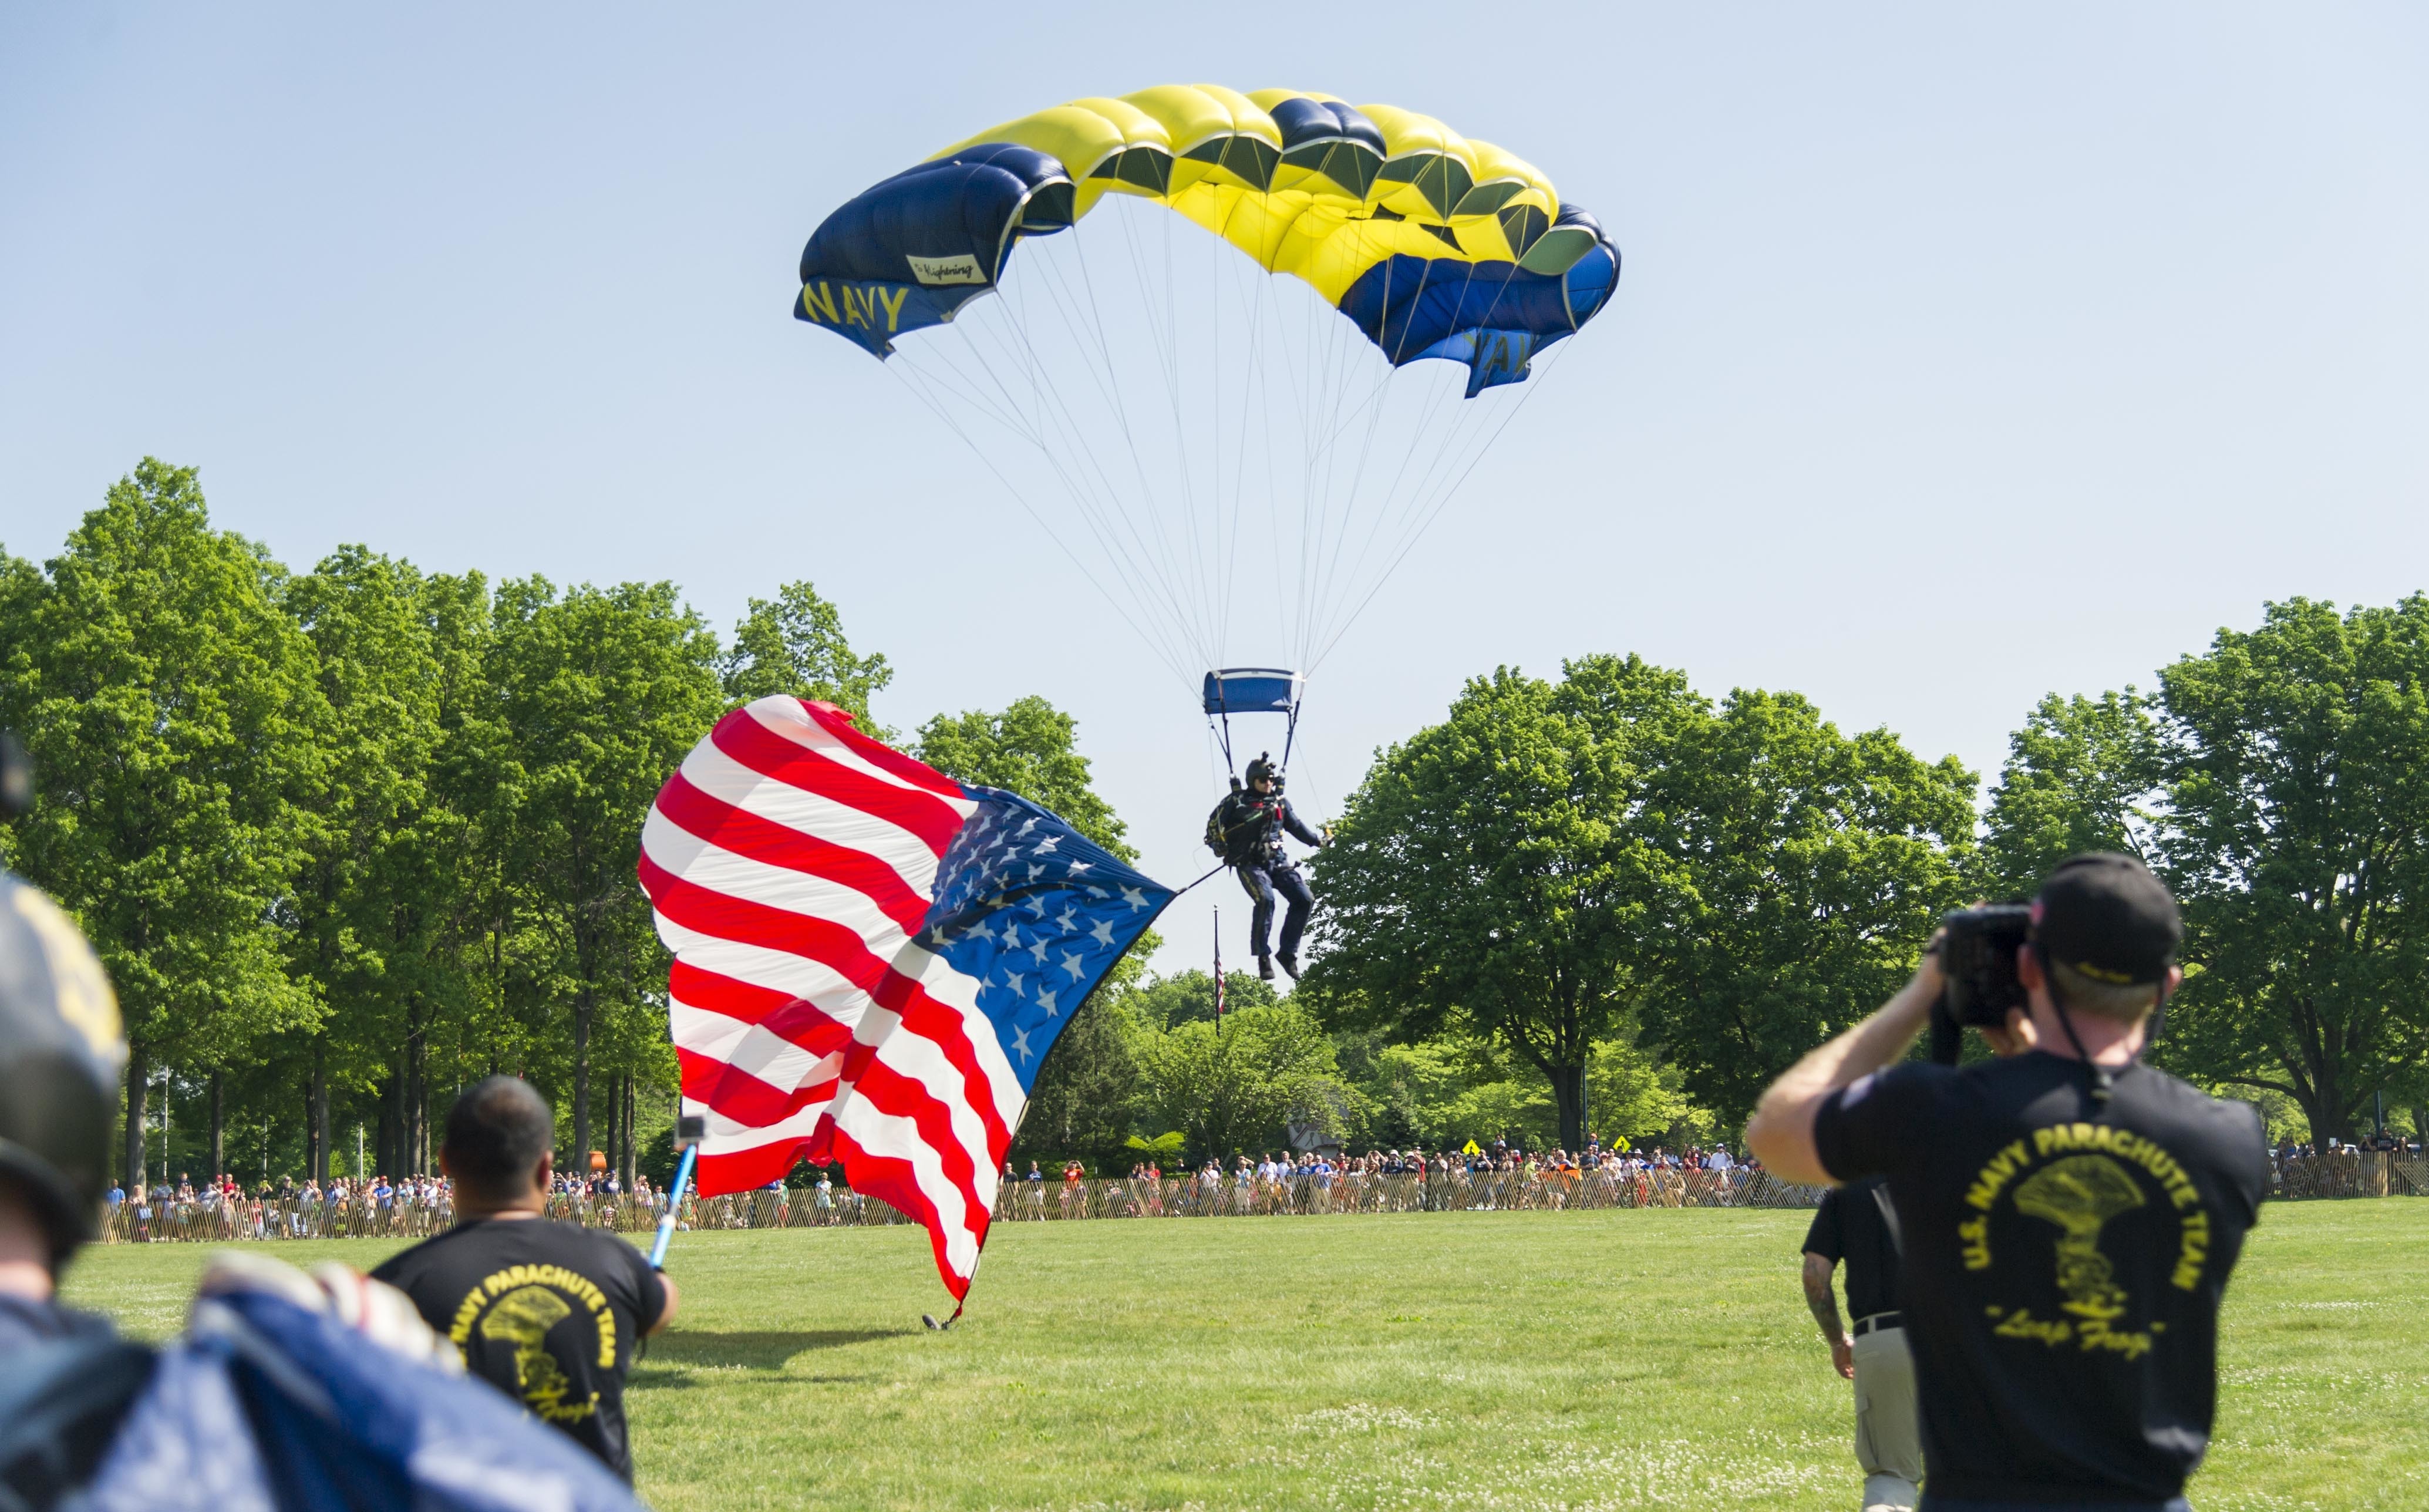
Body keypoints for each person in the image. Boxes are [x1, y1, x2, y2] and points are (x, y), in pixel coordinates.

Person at [1747, 854, 2270, 1511]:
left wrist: (1924, 992)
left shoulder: (1936, 1113)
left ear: (2029, 968)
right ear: (2168, 984)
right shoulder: (2229, 1138)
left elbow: (1776, 1134)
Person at [372, 1077, 679, 1481]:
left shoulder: (396, 1286)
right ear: (546, 1167)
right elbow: (662, 1307)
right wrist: (644, 1273)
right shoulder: (611, 1259)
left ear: (445, 1162)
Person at [1805, 1176, 1923, 1511]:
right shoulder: (1964, 1174)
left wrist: (1837, 1340)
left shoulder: (1849, 1191)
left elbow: (1815, 1276)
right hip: (1964, 1340)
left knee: (1892, 1479)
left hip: (1884, 1339)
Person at [1204, 753, 1329, 980]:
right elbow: (1213, 831)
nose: (1268, 783)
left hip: (1277, 862)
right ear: (1253, 780)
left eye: (1270, 779)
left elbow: (1297, 827)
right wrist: (1219, 847)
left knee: (1304, 898)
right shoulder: (1235, 802)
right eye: (1263, 780)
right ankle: (1263, 956)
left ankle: (1288, 953)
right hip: (1249, 864)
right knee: (1266, 899)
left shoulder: (1279, 802)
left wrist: (1318, 841)